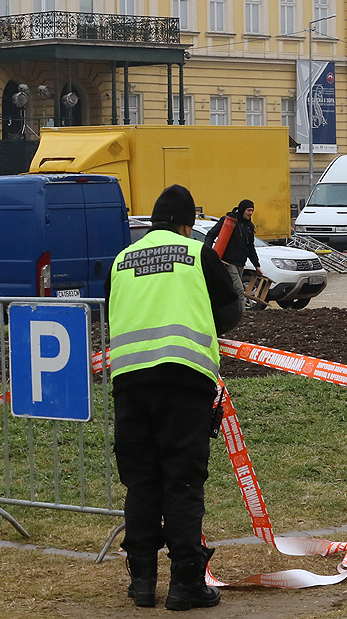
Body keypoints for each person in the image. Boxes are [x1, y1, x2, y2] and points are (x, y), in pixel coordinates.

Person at [109, 185, 242, 611]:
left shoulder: (122, 260)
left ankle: (143, 582)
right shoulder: (195, 252)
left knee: (141, 482)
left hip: (129, 384)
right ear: (187, 224)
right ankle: (186, 584)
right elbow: (230, 309)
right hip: (184, 382)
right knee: (182, 481)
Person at [203, 200, 262, 310]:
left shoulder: (249, 226)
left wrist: (256, 265)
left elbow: (250, 247)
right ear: (242, 209)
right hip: (228, 263)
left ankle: (228, 313)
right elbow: (211, 235)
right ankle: (242, 317)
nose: (250, 213)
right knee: (239, 290)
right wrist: (209, 252)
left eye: (252, 211)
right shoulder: (228, 221)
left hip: (240, 263)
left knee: (231, 291)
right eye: (249, 210)